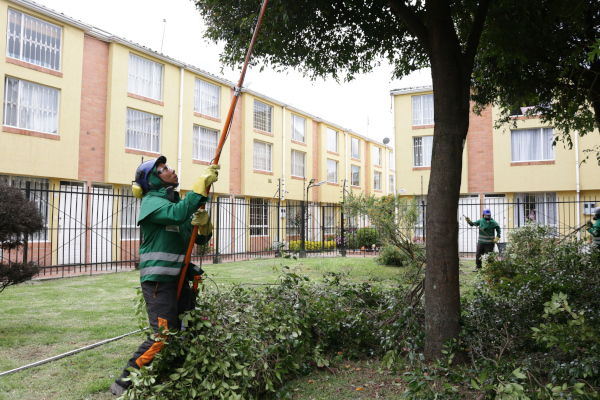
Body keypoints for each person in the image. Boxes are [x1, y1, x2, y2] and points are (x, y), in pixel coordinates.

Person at [110, 156, 219, 396]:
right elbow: (178, 215)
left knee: (183, 327)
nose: (172, 170)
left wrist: (205, 226)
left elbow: (196, 241)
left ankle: (177, 370)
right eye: (164, 169)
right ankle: (124, 381)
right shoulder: (152, 202)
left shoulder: (174, 203)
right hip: (159, 280)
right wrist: (199, 186)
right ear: (153, 180)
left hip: (179, 279)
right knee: (163, 333)